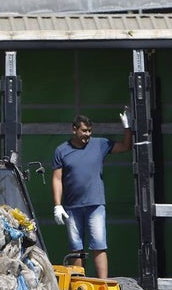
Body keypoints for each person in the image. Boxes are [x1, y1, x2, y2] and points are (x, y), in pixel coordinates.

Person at [51, 111, 132, 279]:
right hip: (72, 206)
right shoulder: (62, 150)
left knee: (99, 245)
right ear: (74, 129)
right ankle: (79, 285)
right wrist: (57, 205)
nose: (87, 135)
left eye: (89, 131)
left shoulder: (99, 144)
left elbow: (126, 146)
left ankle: (103, 284)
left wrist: (127, 127)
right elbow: (57, 179)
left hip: (95, 204)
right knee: (76, 248)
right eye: (84, 131)